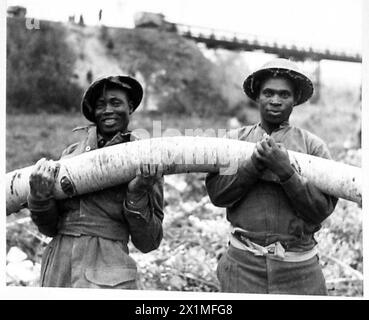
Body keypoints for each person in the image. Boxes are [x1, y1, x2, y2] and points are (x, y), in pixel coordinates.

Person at [205, 58, 338, 295]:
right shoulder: (233, 141)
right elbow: (218, 195)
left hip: (300, 269)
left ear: (295, 98)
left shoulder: (313, 147)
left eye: (284, 94)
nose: (275, 101)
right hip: (242, 267)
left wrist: (285, 171)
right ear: (257, 96)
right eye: (268, 93)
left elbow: (320, 210)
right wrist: (253, 165)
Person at [28, 75, 164, 289]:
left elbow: (149, 242)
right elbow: (49, 228)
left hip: (108, 269)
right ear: (93, 112)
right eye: (101, 105)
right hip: (59, 268)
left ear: (130, 107)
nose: (108, 110)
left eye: (116, 103)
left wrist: (137, 195)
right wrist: (40, 196)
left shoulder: (145, 158)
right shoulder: (70, 154)